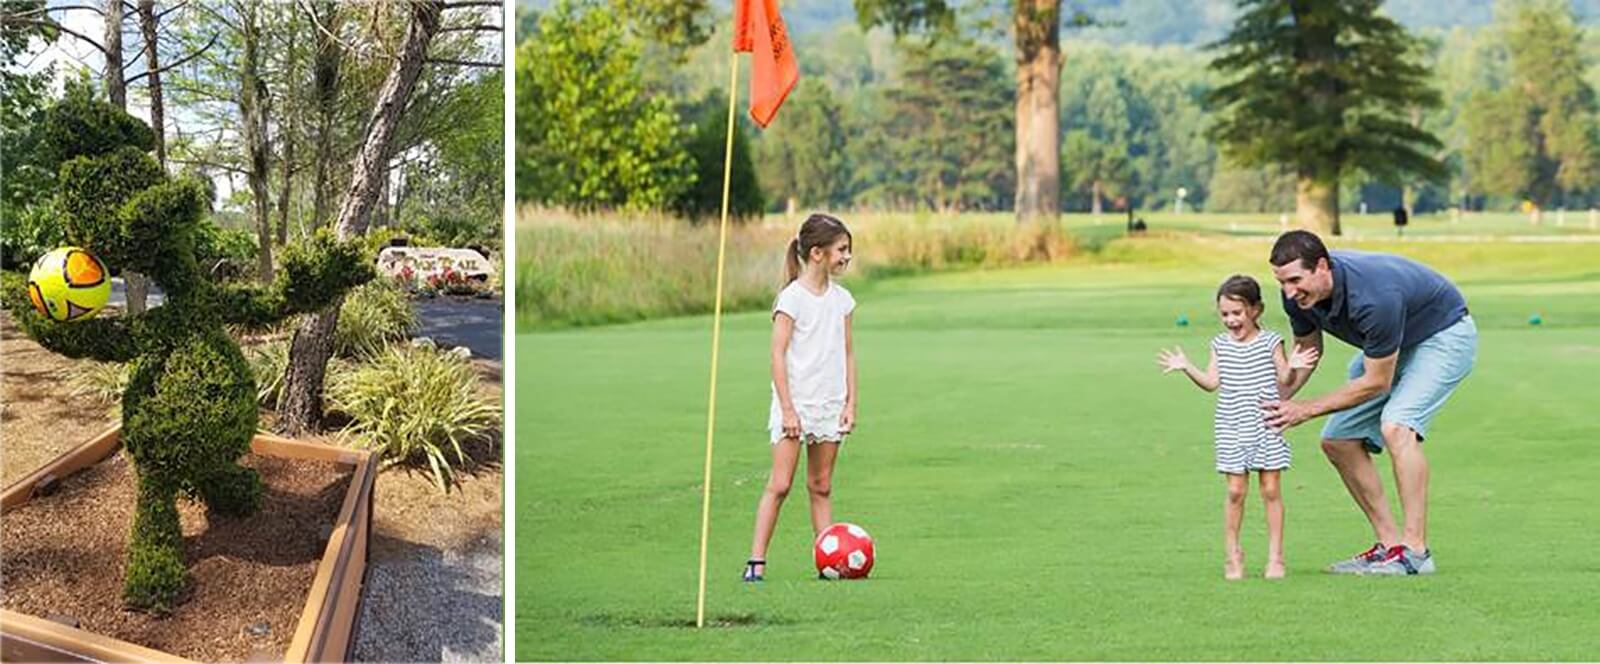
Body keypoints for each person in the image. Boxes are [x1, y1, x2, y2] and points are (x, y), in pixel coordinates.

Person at [1263, 230, 1476, 576]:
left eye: (1295, 280)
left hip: (1443, 335)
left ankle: (1416, 553)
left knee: (1397, 426)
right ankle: (1391, 547)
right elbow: (1307, 351)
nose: (1289, 291)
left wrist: (1305, 408)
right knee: (1338, 440)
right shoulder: (1297, 296)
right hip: (1396, 342)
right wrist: (1277, 401)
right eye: (1282, 281)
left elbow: (1377, 381)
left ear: (1321, 266)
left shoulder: (1373, 297)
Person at [1159, 275, 1317, 579]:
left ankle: (1276, 557)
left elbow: (1284, 380)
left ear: (1256, 310)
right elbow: (1211, 383)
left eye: (1237, 313)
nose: (1231, 320)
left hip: (1265, 423)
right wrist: (1186, 367)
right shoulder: (1219, 344)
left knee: (1270, 489)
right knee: (1235, 491)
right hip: (1231, 425)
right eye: (1225, 314)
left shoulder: (1271, 341)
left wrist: (1295, 363)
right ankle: (1232, 555)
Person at [743, 213, 858, 582]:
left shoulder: (843, 300)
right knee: (781, 484)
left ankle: (830, 560)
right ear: (816, 253)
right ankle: (756, 562)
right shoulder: (791, 299)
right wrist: (789, 409)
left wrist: (850, 402)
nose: (847, 257)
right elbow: (777, 354)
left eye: (848, 250)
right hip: (796, 404)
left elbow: (848, 353)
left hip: (829, 403)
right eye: (841, 250)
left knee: (820, 485)